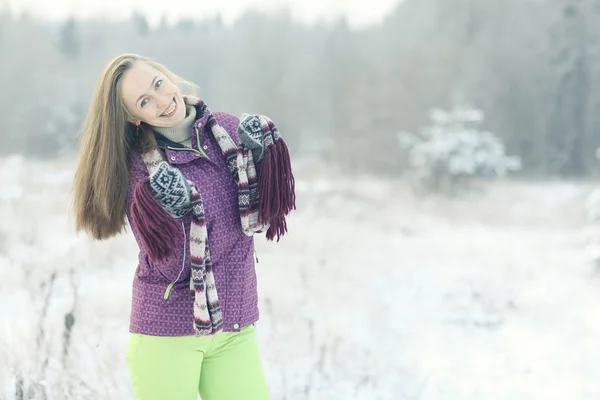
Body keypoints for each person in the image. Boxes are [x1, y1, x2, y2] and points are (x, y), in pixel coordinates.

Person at [71, 53, 295, 400]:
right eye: (145, 101)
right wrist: (175, 214)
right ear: (133, 117)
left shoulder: (228, 131)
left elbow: (263, 216)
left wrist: (265, 157)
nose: (162, 101)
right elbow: (170, 262)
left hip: (234, 327)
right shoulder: (140, 171)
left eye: (158, 85)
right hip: (167, 334)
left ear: (168, 76)